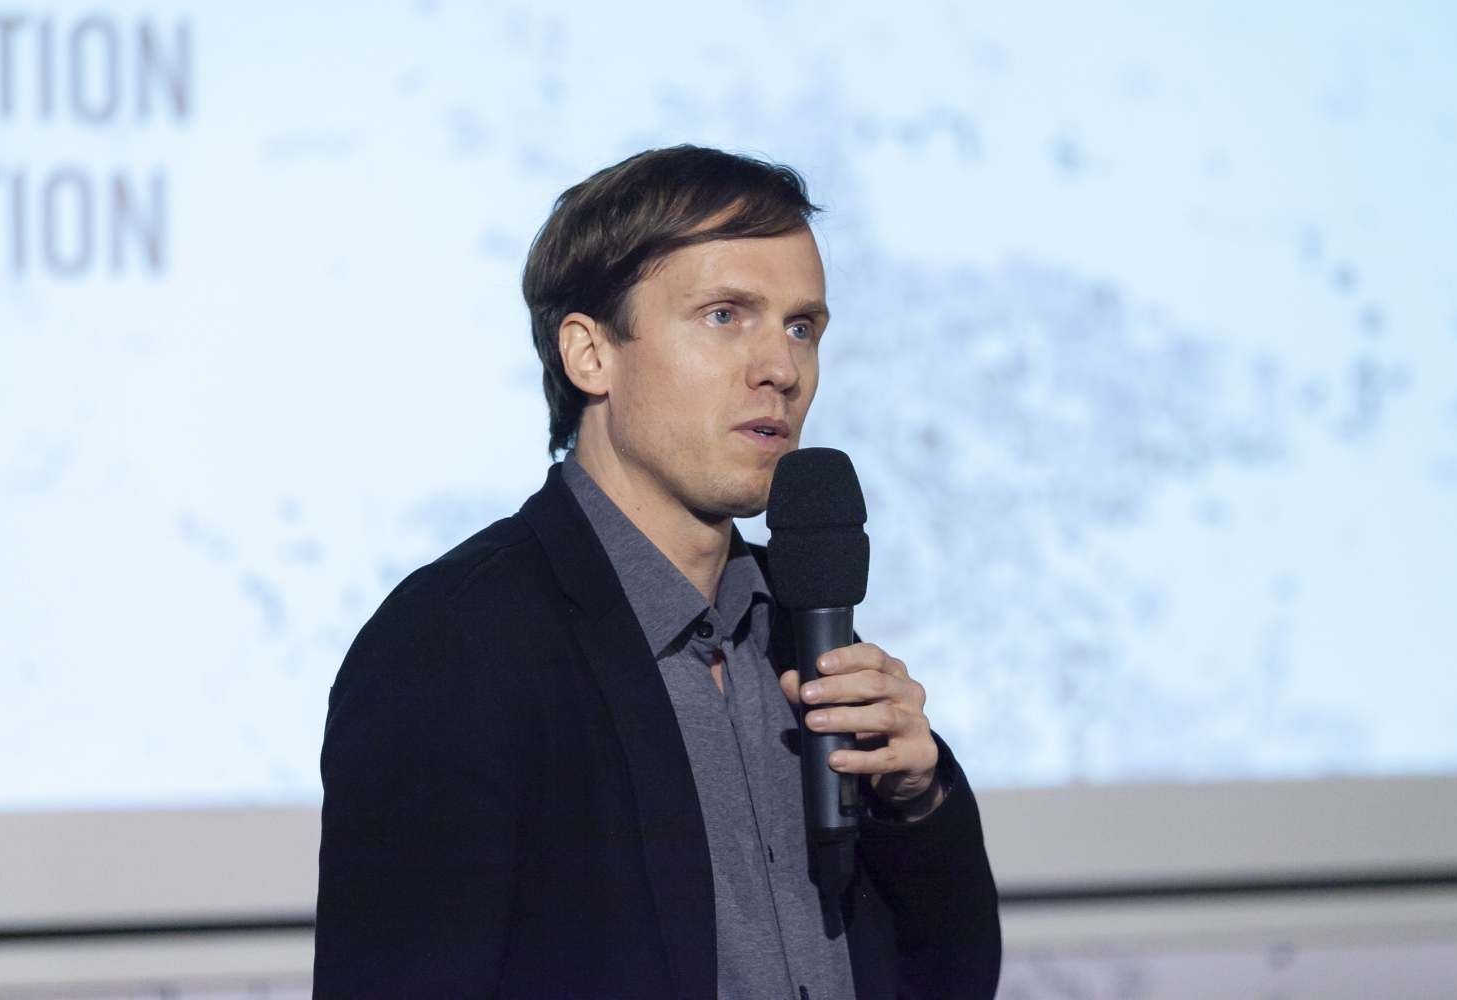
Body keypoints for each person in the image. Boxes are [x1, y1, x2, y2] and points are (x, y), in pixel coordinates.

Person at [314, 145, 1002, 998]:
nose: (781, 369)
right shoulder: (456, 643)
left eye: (801, 327)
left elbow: (952, 977)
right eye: (725, 316)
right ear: (589, 354)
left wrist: (919, 802)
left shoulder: (800, 630)